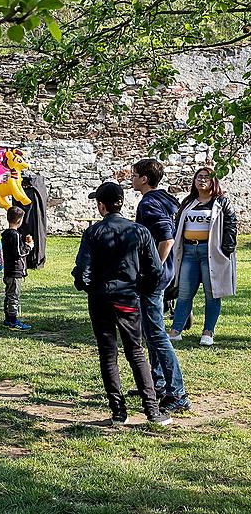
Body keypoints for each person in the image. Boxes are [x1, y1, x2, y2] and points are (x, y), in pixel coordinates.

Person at [72, 181, 172, 426]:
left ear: (101, 206)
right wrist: (139, 289)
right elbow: (155, 271)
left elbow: (82, 272)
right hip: (127, 297)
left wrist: (90, 287)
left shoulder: (93, 232)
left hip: (101, 298)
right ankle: (152, 411)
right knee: (136, 352)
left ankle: (118, 413)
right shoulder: (138, 231)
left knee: (108, 354)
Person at [131, 159, 191, 412]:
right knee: (150, 331)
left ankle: (177, 393)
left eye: (134, 175)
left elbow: (166, 237)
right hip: (162, 275)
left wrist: (153, 268)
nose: (131, 179)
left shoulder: (148, 203)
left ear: (145, 178)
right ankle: (157, 383)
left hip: (154, 278)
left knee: (156, 335)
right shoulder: (167, 199)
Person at [169, 166, 237, 346]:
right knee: (184, 293)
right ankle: (176, 330)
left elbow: (231, 224)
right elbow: (178, 225)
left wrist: (227, 249)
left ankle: (208, 332)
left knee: (212, 293)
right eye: (199, 177)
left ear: (213, 181)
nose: (202, 180)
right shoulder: (188, 201)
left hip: (211, 253)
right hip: (189, 253)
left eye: (206, 177)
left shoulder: (221, 202)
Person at [0, 206, 33, 331]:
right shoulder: (15, 235)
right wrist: (29, 246)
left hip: (8, 270)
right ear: (20, 220)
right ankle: (13, 320)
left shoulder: (6, 234)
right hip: (15, 271)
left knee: (9, 294)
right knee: (13, 295)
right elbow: (18, 252)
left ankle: (8, 318)